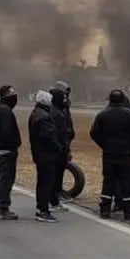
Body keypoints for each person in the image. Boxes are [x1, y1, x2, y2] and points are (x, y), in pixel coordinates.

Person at [90, 89, 130, 220]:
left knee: (108, 181)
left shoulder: (103, 115)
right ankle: (128, 211)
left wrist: (104, 144)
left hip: (109, 153)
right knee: (127, 181)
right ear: (123, 99)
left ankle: (105, 209)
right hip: (127, 154)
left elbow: (94, 133)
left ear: (109, 100)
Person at [28, 90, 62, 223]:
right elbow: (49, 137)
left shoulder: (35, 113)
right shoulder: (45, 117)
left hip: (39, 153)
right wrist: (58, 148)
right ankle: (43, 210)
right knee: (47, 182)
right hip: (46, 155)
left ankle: (41, 208)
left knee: (42, 182)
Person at [0, 84, 22, 220]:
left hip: (3, 150)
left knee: (4, 179)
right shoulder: (4, 111)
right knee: (5, 179)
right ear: (5, 96)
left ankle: (1, 208)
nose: (14, 96)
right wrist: (12, 146)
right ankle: (2, 209)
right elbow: (7, 132)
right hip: (5, 151)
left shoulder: (3, 109)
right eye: (12, 94)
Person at [48, 81, 75, 212]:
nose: (66, 97)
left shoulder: (64, 107)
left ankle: (57, 194)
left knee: (59, 172)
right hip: (57, 147)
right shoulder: (53, 110)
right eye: (64, 95)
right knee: (54, 174)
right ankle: (52, 198)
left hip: (64, 144)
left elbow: (68, 123)